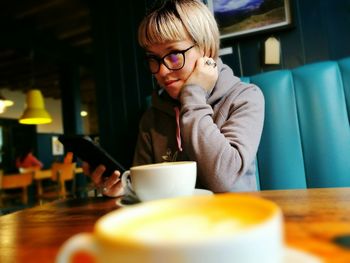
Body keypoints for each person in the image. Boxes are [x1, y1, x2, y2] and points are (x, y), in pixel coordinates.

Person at [85, 0, 264, 197]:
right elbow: (145, 188)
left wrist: (193, 93)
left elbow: (222, 178)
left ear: (206, 50)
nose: (161, 71)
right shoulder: (152, 118)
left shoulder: (245, 97)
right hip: (174, 223)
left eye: (174, 55)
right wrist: (123, 189)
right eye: (153, 58)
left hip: (235, 219)